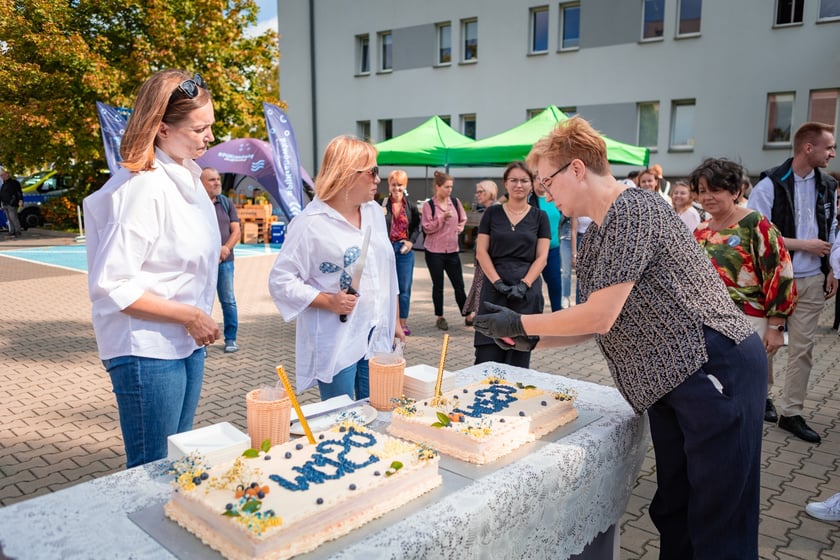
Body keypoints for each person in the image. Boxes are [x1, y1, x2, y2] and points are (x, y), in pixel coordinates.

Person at [474, 116, 766, 559]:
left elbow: (600, 315)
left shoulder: (636, 208)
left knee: (718, 521)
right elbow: (591, 322)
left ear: (576, 169)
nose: (543, 194)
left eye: (545, 182)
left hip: (712, 366)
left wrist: (521, 324)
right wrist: (527, 341)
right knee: (676, 509)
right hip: (670, 380)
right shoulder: (595, 236)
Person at [83, 69, 220, 468]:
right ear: (162, 129)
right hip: (147, 349)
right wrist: (192, 315)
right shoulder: (141, 187)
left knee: (176, 461)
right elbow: (113, 284)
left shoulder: (189, 180)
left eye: (210, 126)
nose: (209, 137)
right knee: (151, 468)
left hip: (185, 342)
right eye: (199, 129)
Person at [268, 136, 404, 401]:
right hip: (338, 338)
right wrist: (327, 301)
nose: (379, 179)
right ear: (347, 175)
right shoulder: (311, 223)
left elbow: (387, 270)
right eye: (372, 172)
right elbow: (280, 280)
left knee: (378, 409)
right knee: (340, 420)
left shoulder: (374, 212)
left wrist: (395, 320)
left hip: (376, 333)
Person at [747, 121, 838, 444]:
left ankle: (792, 412)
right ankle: (761, 398)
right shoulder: (770, 184)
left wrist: (832, 269)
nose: (833, 153)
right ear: (808, 148)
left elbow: (834, 231)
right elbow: (758, 235)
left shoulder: (828, 185)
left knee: (803, 349)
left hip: (813, 278)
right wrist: (805, 245)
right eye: (829, 147)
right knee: (767, 345)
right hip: (775, 280)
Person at [690, 158, 797, 424]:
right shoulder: (700, 230)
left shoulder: (755, 224)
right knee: (715, 393)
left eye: (715, 189)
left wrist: (776, 326)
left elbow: (780, 272)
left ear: (736, 191)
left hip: (748, 322)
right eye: (702, 190)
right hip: (707, 323)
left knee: (742, 393)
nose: (707, 197)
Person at [474, 162, 549, 366]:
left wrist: (524, 284)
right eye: (513, 180)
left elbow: (542, 257)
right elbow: (481, 251)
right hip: (494, 289)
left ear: (532, 185)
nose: (519, 185)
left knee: (519, 360)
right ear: (505, 184)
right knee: (486, 359)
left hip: (526, 292)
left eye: (524, 180)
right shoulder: (492, 213)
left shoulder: (540, 217)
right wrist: (497, 282)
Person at [200, 167, 241, 353]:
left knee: (228, 300)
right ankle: (201, 342)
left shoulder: (225, 203)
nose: (217, 182)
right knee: (200, 301)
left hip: (225, 261)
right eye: (212, 180)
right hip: (202, 263)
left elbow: (236, 231)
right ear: (201, 183)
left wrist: (225, 248)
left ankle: (231, 338)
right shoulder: (195, 204)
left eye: (218, 179)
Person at [421, 170, 468, 331]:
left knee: (459, 285)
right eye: (446, 187)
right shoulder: (429, 206)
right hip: (434, 251)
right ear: (437, 187)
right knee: (438, 285)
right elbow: (427, 228)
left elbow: (463, 218)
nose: (449, 190)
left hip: (452, 250)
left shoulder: (455, 202)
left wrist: (460, 228)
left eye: (451, 187)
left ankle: (468, 315)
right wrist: (442, 218)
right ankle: (440, 317)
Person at [383, 169, 420, 335]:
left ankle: (402, 323)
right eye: (394, 185)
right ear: (389, 185)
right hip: (386, 250)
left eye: (400, 185)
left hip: (404, 251)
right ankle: (389, 321)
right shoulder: (383, 205)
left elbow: (417, 227)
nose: (397, 188)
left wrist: (411, 241)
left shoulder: (410, 206)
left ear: (405, 186)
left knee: (404, 289)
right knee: (386, 288)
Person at [463, 180, 500, 325]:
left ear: (489, 192)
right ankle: (476, 316)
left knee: (483, 288)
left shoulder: (496, 210)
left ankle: (481, 318)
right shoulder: (488, 209)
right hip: (483, 258)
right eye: (476, 192)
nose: (477, 195)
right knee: (479, 287)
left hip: (490, 259)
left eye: (480, 192)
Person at [533, 176, 566, 311]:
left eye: (543, 179)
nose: (541, 182)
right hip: (534, 252)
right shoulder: (529, 201)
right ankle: (533, 323)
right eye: (537, 179)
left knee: (556, 286)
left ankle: (558, 320)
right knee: (534, 289)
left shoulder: (554, 198)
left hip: (553, 250)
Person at [0, 169, 23, 238]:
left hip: (12, 204)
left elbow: (19, 192)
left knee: (13, 218)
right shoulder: (4, 184)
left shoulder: (14, 183)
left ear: (7, 175)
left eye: (2, 175)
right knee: (9, 219)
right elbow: (1, 194)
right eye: (1, 176)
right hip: (5, 204)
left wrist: (20, 200)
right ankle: (12, 231)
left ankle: (18, 231)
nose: (2, 177)